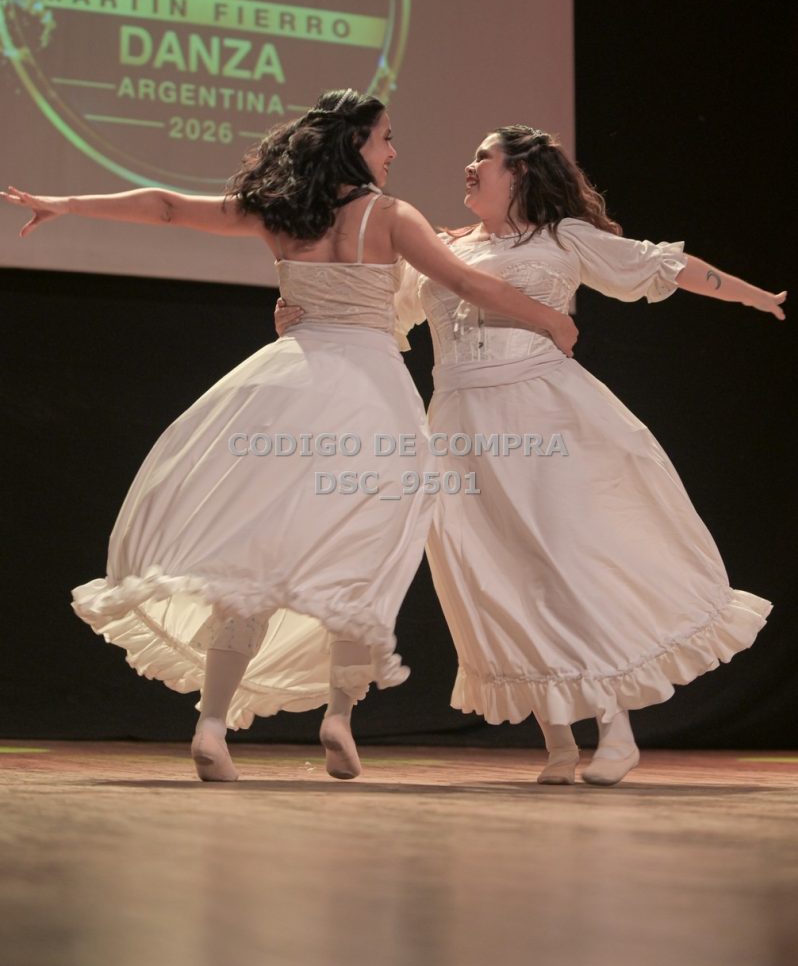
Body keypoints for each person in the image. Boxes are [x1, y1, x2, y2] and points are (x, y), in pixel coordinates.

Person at [1, 92, 578, 784]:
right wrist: (550, 318)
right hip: (369, 397)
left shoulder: (280, 212)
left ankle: (212, 724)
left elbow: (166, 207)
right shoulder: (390, 216)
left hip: (287, 386)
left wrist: (66, 204)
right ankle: (338, 715)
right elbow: (463, 281)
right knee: (359, 554)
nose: (393, 152)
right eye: (385, 138)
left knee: (258, 554)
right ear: (354, 143)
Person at [276, 123, 784, 785]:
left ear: (519, 172)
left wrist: (754, 295)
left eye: (483, 157)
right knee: (498, 575)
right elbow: (373, 312)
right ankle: (560, 743)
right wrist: (301, 318)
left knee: (565, 563)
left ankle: (615, 732)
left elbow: (661, 265)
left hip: (542, 413)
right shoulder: (441, 248)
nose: (469, 165)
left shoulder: (562, 238)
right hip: (459, 426)